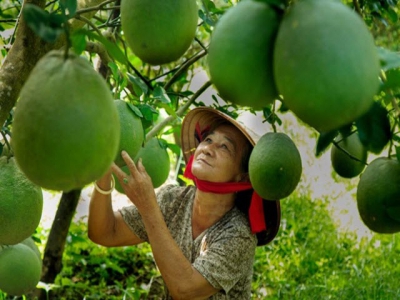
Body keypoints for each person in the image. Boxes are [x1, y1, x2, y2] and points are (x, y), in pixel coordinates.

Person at [87, 106, 281, 299]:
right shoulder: (173, 200)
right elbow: (104, 232)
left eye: (225, 147)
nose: (208, 149)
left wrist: (148, 206)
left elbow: (186, 290)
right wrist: (104, 169)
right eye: (208, 139)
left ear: (242, 177)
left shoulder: (239, 234)